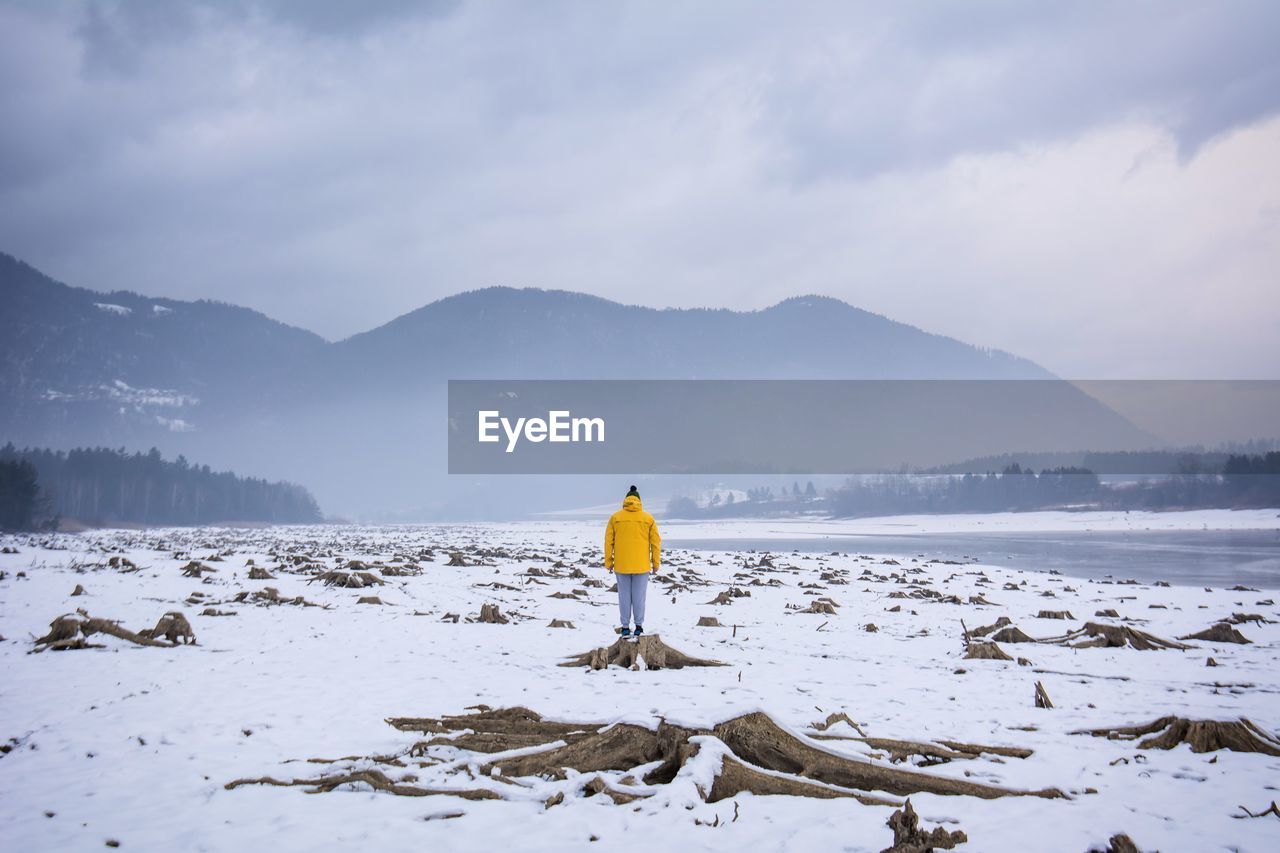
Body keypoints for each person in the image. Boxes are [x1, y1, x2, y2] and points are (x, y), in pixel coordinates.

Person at [604, 484, 660, 638]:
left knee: (624, 596)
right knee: (639, 596)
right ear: (639, 501)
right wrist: (656, 564)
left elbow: (608, 541)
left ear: (625, 500)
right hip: (642, 566)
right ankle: (639, 626)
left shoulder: (616, 517)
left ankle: (624, 627)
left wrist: (608, 562)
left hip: (622, 565)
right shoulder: (648, 518)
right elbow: (656, 543)